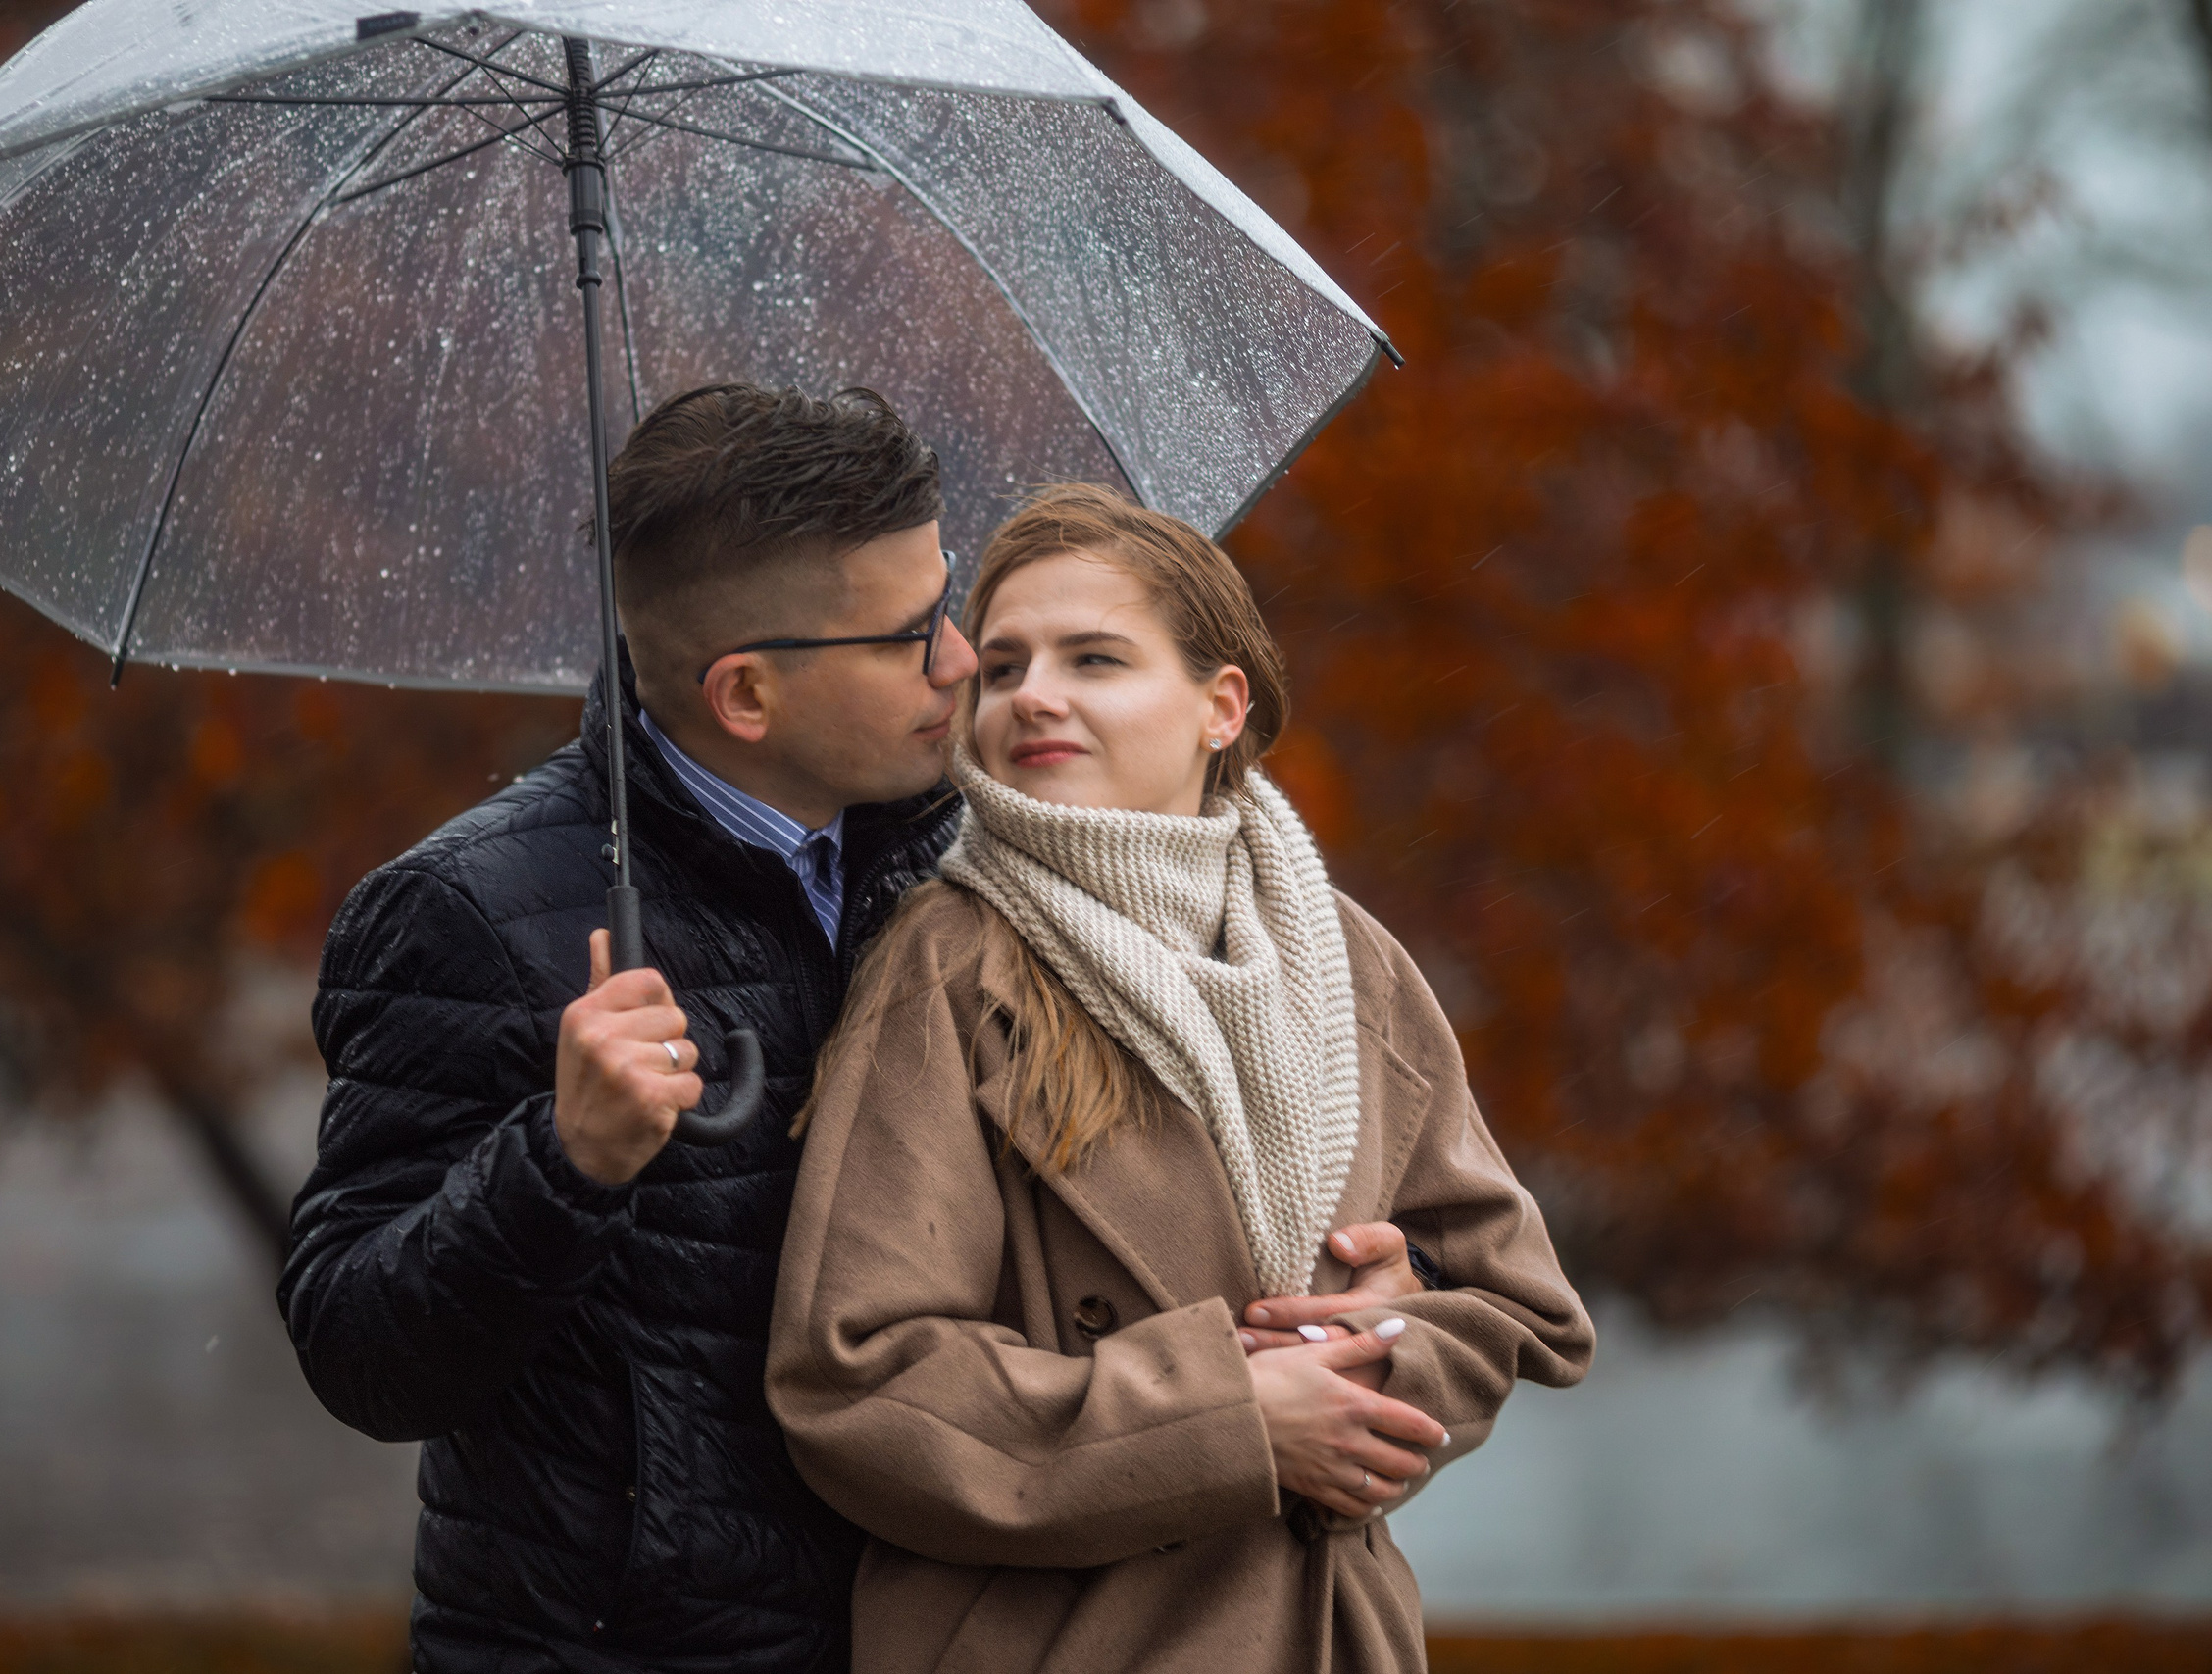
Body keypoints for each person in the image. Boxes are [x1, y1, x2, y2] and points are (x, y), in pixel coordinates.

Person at [278, 388, 1427, 1674]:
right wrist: (563, 1163)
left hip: (958, 1628)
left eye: (946, 600)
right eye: (907, 634)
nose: (960, 657)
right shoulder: (474, 916)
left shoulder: (989, 859)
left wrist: (1351, 1309)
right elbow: (361, 1355)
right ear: (749, 692)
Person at [768, 483, 1595, 1674]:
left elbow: (1516, 1305)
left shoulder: (1341, 957)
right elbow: (854, 1381)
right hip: (1066, 1637)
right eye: (999, 668)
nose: (1031, 695)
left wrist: (1382, 1347)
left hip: (1326, 1631)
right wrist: (1227, 1423)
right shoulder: (948, 960)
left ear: (1221, 707)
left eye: (1094, 658)